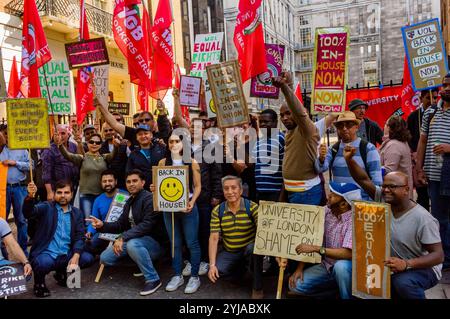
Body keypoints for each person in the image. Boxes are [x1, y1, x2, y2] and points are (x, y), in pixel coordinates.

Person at [344, 146, 444, 299]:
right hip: (394, 264)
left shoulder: (423, 218)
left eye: (392, 187)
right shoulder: (383, 200)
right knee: (361, 277)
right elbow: (363, 179)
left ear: (406, 190)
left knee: (403, 282)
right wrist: (349, 160)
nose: (386, 190)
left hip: (424, 268)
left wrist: (406, 264)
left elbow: (438, 256)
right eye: (384, 186)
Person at [87, 170, 166, 296]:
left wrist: (122, 237)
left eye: (135, 181)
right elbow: (120, 225)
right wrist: (102, 225)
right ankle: (141, 262)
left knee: (132, 244)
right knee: (105, 258)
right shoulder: (129, 201)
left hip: (154, 243)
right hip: (135, 241)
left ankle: (153, 279)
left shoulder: (149, 199)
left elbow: (146, 225)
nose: (131, 184)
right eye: (128, 182)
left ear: (143, 182)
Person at [279, 182, 361, 299]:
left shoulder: (354, 220)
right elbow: (309, 235)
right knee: (295, 285)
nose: (328, 196)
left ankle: (345, 295)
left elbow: (348, 253)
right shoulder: (327, 210)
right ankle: (335, 291)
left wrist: (317, 249)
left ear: (343, 204)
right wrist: (299, 268)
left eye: (333, 195)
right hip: (327, 266)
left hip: (347, 268)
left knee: (341, 267)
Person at [172, 89, 222, 276]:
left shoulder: (212, 147)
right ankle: (190, 260)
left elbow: (217, 173)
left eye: (198, 127)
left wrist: (217, 195)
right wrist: (176, 99)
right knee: (187, 231)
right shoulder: (182, 147)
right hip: (184, 196)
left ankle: (202, 261)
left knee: (203, 230)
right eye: (192, 127)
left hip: (205, 197)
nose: (194, 129)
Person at [23, 181, 95, 298]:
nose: (63, 195)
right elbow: (29, 212)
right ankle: (39, 284)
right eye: (59, 192)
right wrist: (30, 197)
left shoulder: (77, 213)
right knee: (42, 263)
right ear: (54, 194)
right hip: (47, 254)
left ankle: (62, 273)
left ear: (72, 194)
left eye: (66, 192)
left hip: (66, 253)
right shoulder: (46, 207)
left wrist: (76, 255)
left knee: (87, 258)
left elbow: (80, 236)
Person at [151, 134, 202, 294]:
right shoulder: (162, 163)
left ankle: (194, 276)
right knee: (175, 243)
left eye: (177, 141)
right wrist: (154, 188)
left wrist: (192, 203)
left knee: (192, 242)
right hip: (168, 209)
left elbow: (198, 186)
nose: (173, 144)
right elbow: (158, 185)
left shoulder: (192, 162)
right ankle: (178, 275)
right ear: (167, 144)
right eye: (171, 141)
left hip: (187, 208)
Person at [208, 176, 264, 299]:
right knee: (219, 270)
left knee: (253, 250)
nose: (230, 192)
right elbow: (213, 238)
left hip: (249, 249)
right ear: (223, 191)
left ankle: (257, 286)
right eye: (226, 188)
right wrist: (212, 265)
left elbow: (264, 231)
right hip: (231, 251)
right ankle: (241, 272)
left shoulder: (252, 207)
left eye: (234, 188)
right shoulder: (218, 211)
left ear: (241, 190)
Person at [272, 71, 323, 205]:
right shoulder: (291, 131)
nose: (284, 118)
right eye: (281, 115)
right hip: (293, 191)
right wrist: (288, 84)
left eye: (288, 113)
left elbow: (299, 112)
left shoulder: (307, 130)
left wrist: (284, 87)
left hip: (306, 193)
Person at [416, 74, 450, 270]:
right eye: (444, 85)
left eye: (449, 85)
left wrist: (448, 148)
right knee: (439, 218)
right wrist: (419, 168)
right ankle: (443, 258)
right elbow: (422, 141)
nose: (445, 88)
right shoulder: (430, 112)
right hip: (435, 177)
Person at [315, 111, 382, 201]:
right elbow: (321, 169)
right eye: (340, 126)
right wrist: (321, 159)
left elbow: (377, 183)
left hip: (361, 204)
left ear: (357, 127)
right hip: (340, 205)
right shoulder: (333, 149)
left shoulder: (368, 149)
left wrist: (369, 204)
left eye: (349, 125)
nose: (344, 128)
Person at [56, 132, 118, 219]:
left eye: (97, 142)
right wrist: (60, 145)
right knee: (88, 220)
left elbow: (113, 155)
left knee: (102, 220)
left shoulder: (104, 157)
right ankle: (88, 233)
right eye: (91, 142)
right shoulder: (82, 158)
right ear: (87, 143)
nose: (94, 144)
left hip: (102, 195)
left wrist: (115, 146)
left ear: (101, 145)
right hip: (86, 195)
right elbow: (67, 155)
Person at [0, 124, 32, 253]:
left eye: (10, 133)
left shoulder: (22, 149)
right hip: (2, 190)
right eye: (5, 134)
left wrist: (15, 163)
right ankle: (3, 253)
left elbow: (31, 165)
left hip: (19, 189)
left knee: (22, 220)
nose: (8, 136)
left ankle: (22, 251)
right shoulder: (0, 150)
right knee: (1, 219)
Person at [94, 98, 171, 147]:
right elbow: (114, 124)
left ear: (153, 122)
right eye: (141, 121)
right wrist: (100, 105)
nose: (144, 122)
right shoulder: (133, 133)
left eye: (147, 120)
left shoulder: (161, 135)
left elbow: (163, 123)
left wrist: (161, 111)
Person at [407, 90, 438, 211]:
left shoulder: (441, 115)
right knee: (423, 195)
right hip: (419, 161)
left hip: (436, 161)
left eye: (435, 98)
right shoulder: (413, 117)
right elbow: (408, 136)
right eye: (428, 98)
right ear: (420, 99)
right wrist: (414, 152)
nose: (432, 101)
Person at [250, 109, 285, 202]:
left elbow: (287, 170)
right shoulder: (259, 141)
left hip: (276, 193)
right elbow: (251, 164)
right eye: (260, 122)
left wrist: (281, 196)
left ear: (275, 123)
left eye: (266, 122)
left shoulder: (281, 139)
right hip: (260, 192)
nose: (262, 124)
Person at [84, 170, 121, 256]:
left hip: (121, 232)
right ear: (101, 183)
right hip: (104, 232)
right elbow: (94, 220)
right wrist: (90, 232)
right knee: (87, 245)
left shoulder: (124, 195)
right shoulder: (98, 200)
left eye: (110, 181)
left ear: (116, 181)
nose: (107, 183)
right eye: (104, 181)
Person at [41, 124, 80, 202]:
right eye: (57, 134)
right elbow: (46, 173)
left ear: (68, 134)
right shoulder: (49, 150)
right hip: (58, 189)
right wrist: (49, 192)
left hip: (73, 187)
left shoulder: (73, 146)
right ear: (54, 135)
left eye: (63, 133)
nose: (60, 136)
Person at [380, 116, 413, 198]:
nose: (384, 126)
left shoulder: (394, 145)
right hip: (400, 190)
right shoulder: (401, 142)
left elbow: (389, 171)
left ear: (389, 128)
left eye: (386, 124)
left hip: (396, 193)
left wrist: (371, 169)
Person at [126, 125, 166, 190]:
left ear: (151, 135)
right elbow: (129, 173)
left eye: (146, 133)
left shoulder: (161, 148)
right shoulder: (133, 154)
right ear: (136, 138)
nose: (143, 136)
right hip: (142, 191)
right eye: (140, 134)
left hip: (162, 188)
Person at [100, 123, 129, 189]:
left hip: (123, 183)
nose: (108, 132)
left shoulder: (124, 144)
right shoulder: (100, 146)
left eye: (111, 130)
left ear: (116, 130)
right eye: (106, 131)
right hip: (108, 185)